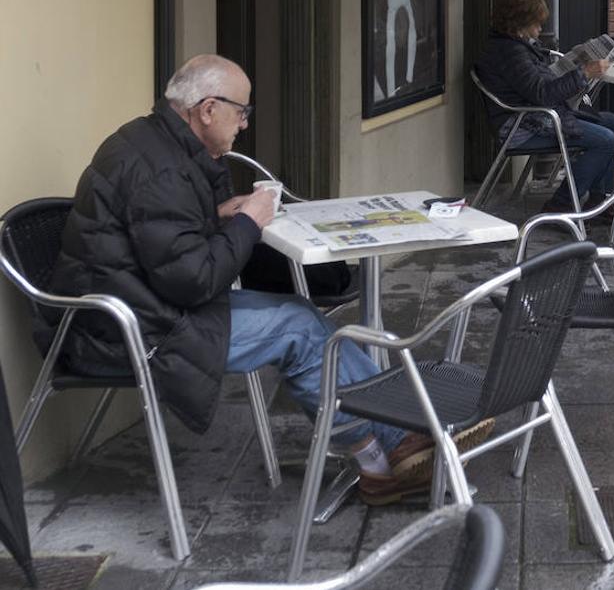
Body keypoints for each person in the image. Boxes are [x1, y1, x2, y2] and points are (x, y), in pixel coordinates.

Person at [47, 54, 488, 505]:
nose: (243, 125)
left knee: (303, 320)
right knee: (301, 331)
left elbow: (162, 241)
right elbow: (193, 280)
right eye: (241, 112)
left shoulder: (151, 144)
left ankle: (395, 444)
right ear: (207, 109)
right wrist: (248, 225)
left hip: (144, 302)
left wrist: (217, 215)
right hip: (133, 327)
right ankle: (384, 461)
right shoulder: (160, 168)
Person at [475, 0, 614, 215]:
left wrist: (571, 71)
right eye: (536, 23)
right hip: (523, 126)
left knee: (611, 121)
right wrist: (583, 73)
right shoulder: (511, 53)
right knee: (605, 140)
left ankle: (598, 201)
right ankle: (560, 204)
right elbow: (542, 94)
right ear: (519, 24)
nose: (540, 29)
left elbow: (536, 87)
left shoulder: (512, 46)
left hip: (533, 116)